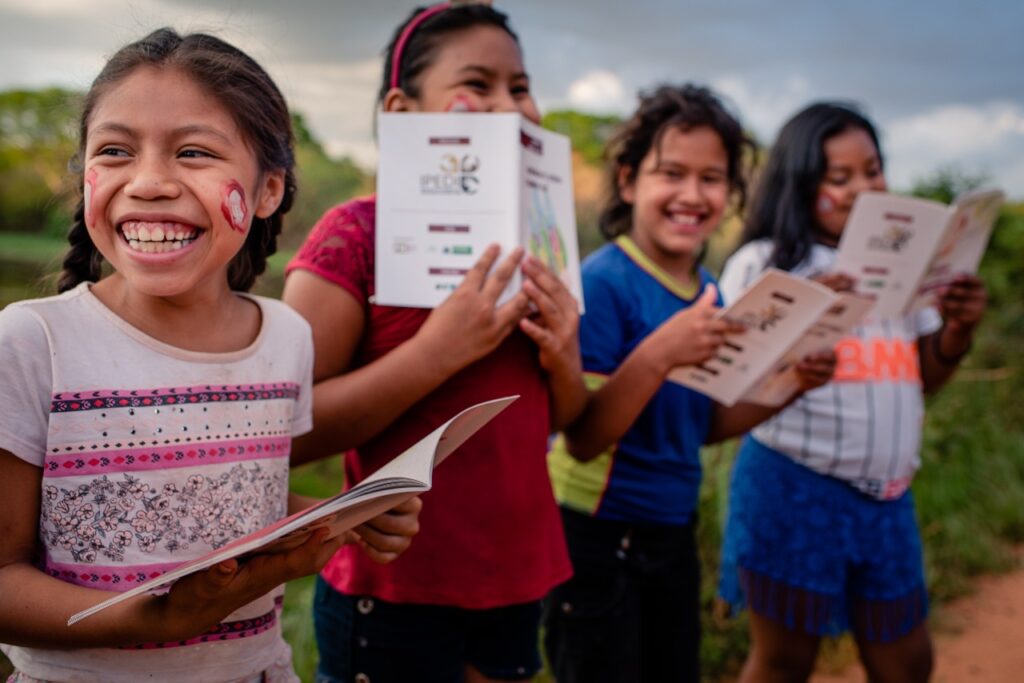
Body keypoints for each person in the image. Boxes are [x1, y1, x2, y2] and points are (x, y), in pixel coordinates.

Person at [0, 28, 418, 683]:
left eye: (193, 151)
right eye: (115, 150)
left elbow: (228, 505)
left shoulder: (286, 337)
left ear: (268, 190)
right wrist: (153, 619)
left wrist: (342, 515)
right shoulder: (31, 342)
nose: (150, 182)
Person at [281, 4, 586, 683]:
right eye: (477, 84)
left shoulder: (538, 245)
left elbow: (553, 422)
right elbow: (284, 431)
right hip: (394, 587)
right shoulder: (356, 235)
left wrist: (564, 354)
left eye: (520, 86)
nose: (509, 106)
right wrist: (437, 351)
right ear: (403, 109)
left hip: (516, 579)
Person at [543, 84, 838, 683]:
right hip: (596, 536)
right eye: (671, 173)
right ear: (628, 182)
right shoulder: (603, 284)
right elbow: (584, 438)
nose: (692, 194)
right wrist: (659, 355)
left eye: (711, 178)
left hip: (671, 532)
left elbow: (702, 424)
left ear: (730, 193)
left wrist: (787, 387)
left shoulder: (712, 292)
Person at [717, 102, 987, 683]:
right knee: (785, 661)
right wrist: (805, 309)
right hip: (793, 487)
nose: (863, 189)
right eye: (840, 178)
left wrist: (957, 332)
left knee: (907, 660)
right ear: (800, 183)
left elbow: (922, 376)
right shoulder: (764, 264)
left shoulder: (904, 266)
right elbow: (728, 382)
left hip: (888, 497)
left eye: (872, 170)